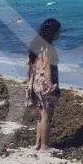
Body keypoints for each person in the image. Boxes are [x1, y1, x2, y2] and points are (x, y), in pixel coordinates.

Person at [26, 18, 62, 154]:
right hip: (46, 84)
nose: (60, 33)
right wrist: (50, 84)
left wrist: (30, 82)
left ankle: (37, 144)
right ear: (53, 32)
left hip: (36, 83)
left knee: (40, 116)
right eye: (58, 31)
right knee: (47, 116)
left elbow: (30, 66)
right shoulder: (49, 48)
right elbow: (47, 66)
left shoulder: (36, 46)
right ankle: (44, 146)